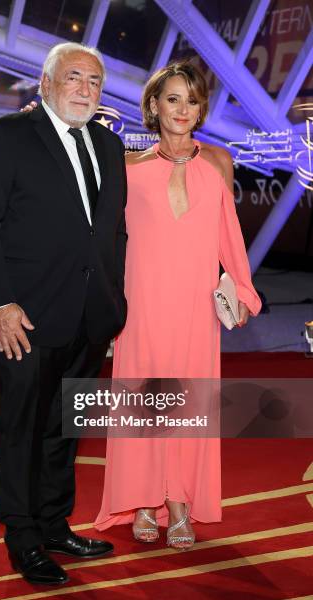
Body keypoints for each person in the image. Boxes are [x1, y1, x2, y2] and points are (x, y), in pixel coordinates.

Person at [0, 42, 127, 585]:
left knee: (65, 430)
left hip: (89, 317)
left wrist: (113, 303)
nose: (86, 89)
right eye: (75, 78)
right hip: (23, 319)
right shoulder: (7, 137)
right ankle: (24, 541)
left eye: (95, 82)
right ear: (46, 83)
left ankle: (55, 525)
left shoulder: (107, 144)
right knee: (22, 430)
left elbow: (111, 233)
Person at [93, 62, 261, 547]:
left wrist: (244, 291)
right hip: (141, 304)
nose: (182, 109)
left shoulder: (220, 163)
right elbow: (107, 238)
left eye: (191, 100)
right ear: (153, 105)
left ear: (201, 108)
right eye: (172, 98)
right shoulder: (127, 166)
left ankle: (180, 503)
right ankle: (144, 501)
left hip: (195, 309)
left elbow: (228, 236)